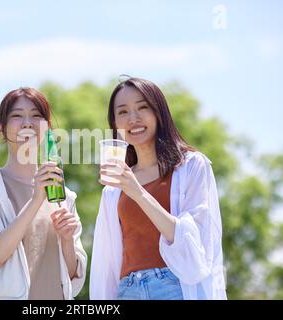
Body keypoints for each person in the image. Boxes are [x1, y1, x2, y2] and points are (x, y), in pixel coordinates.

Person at [90, 77, 226, 300]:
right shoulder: (113, 188)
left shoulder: (191, 166)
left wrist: (138, 193)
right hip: (128, 290)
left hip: (174, 287)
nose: (133, 119)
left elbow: (196, 244)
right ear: (115, 123)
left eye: (143, 107)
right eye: (122, 112)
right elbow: (106, 264)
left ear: (158, 113)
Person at [0, 87, 87, 299]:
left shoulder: (64, 196)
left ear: (47, 128)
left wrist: (67, 240)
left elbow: (71, 277)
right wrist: (35, 201)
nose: (27, 123)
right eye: (17, 116)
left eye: (36, 116)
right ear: (1, 128)